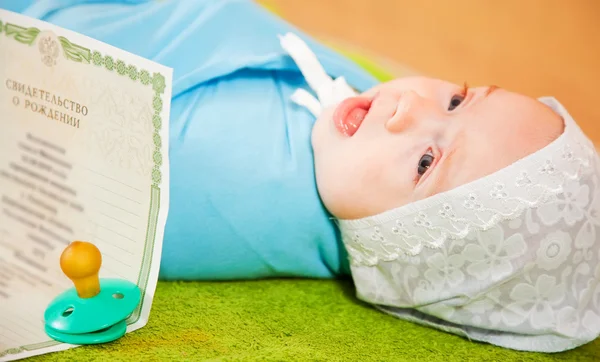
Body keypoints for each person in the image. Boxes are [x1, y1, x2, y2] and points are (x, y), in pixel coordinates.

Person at [283, 32, 600, 353]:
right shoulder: (360, 93)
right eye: (456, 101)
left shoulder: (269, 207)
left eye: (425, 163)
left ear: (394, 243)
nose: (410, 103)